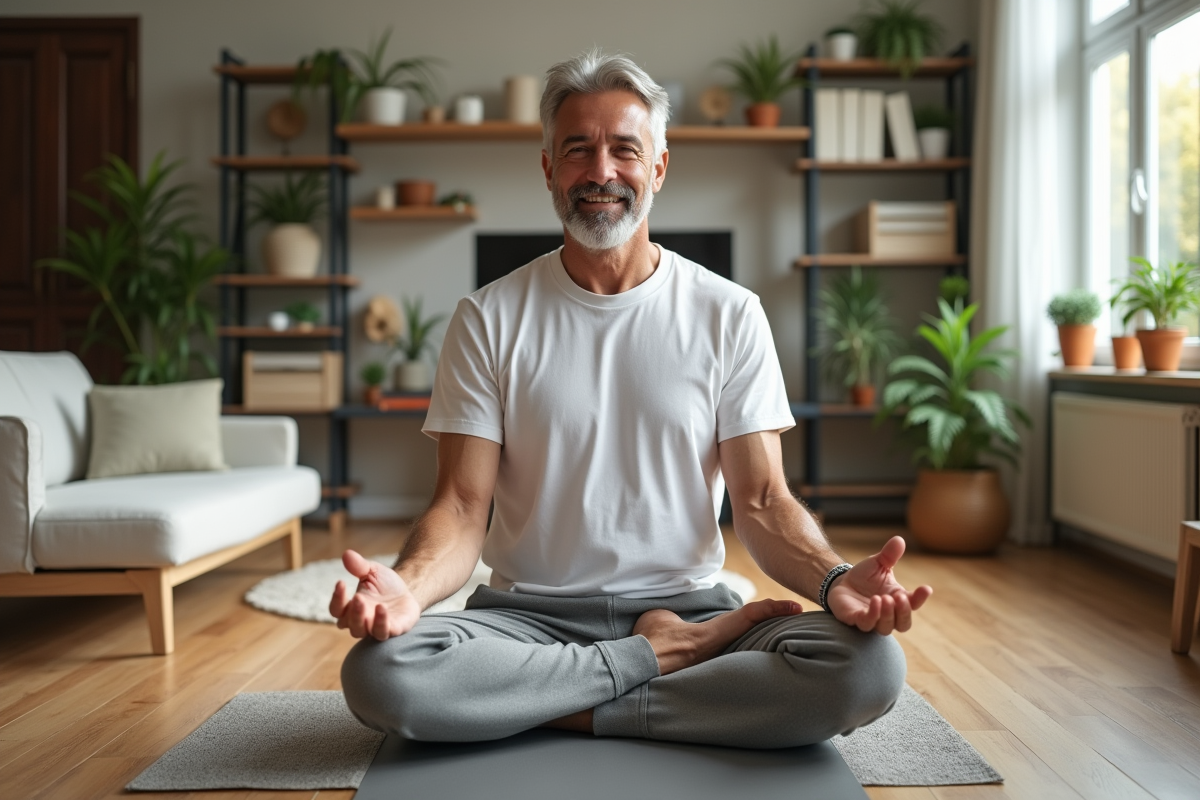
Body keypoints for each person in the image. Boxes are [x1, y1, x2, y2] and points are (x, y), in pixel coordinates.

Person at [334, 49, 932, 749]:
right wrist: (406, 587)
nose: (601, 172)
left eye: (625, 149)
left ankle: (549, 701)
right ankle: (656, 666)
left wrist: (834, 580)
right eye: (578, 150)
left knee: (868, 669)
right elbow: (463, 508)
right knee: (381, 674)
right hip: (529, 617)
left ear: (659, 168)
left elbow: (763, 502)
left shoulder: (729, 313)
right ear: (549, 169)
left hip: (693, 609)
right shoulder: (487, 317)